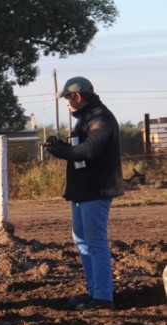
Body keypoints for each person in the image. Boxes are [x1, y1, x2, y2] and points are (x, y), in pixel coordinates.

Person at [44, 76, 124, 311]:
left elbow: (90, 150)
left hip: (96, 190)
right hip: (83, 191)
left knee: (96, 243)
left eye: (67, 99)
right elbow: (81, 148)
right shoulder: (88, 119)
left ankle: (103, 298)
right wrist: (64, 148)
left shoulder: (101, 118)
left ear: (77, 97)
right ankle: (94, 292)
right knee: (83, 242)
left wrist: (62, 152)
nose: (66, 104)